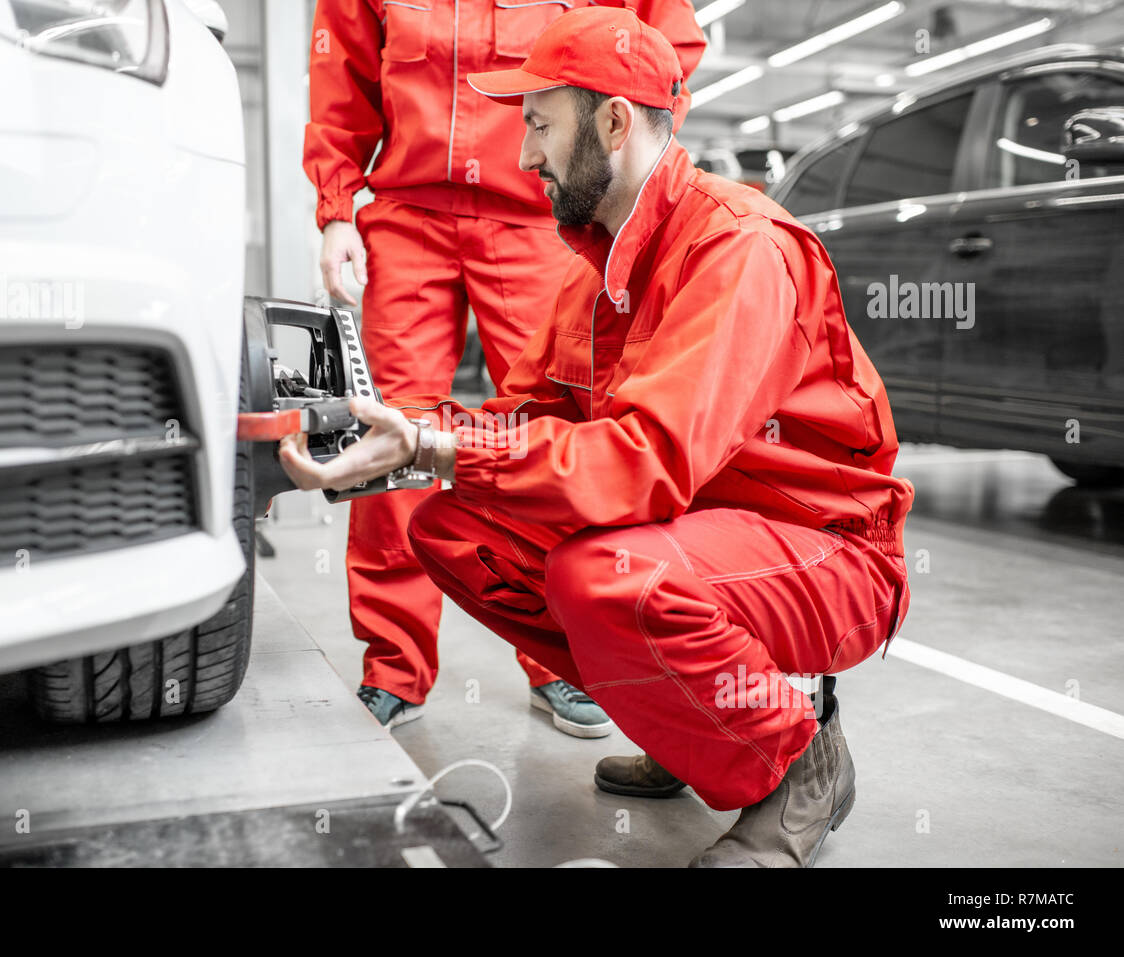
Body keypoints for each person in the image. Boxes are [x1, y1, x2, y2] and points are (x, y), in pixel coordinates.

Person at [283, 5, 914, 867]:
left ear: (614, 122)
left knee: (605, 576)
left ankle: (801, 764)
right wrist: (414, 436)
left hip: (822, 547)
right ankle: (693, 728)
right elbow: (527, 417)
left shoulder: (737, 249)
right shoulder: (596, 269)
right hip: (703, 526)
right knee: (454, 529)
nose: (525, 155)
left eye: (540, 125)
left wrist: (443, 451)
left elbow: (641, 464)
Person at [303, 0, 706, 736]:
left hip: (539, 217)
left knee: (551, 431)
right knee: (390, 437)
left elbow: (668, 43)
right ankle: (393, 665)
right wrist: (336, 210)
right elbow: (342, 78)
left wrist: (619, 168)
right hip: (407, 216)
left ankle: (562, 659)